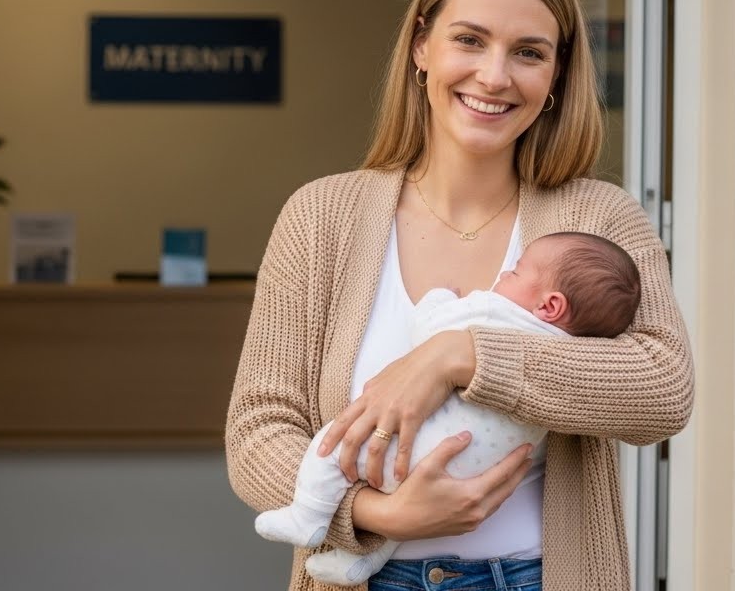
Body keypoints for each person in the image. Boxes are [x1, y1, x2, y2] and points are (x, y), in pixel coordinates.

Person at [225, 0, 693, 591]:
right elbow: (258, 428)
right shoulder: (320, 216)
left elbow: (662, 389)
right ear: (421, 46)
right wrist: (376, 512)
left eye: (527, 52)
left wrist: (458, 356)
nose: (494, 76)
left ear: (555, 74)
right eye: (468, 40)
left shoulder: (598, 218)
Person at [254, 232, 642, 586]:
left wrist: (442, 302)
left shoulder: (493, 312)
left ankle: (308, 514)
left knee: (337, 439)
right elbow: (258, 428)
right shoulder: (567, 347)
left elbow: (431, 329)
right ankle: (368, 558)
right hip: (470, 472)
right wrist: (385, 516)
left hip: (407, 461)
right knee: (402, 505)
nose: (506, 272)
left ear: (550, 304)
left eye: (517, 270)